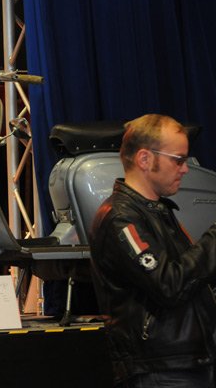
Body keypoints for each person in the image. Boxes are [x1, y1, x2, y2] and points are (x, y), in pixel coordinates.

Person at [90, 114, 216, 387]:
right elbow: (169, 284)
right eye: (178, 160)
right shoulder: (120, 218)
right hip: (161, 371)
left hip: (184, 363)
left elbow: (191, 279)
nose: (185, 169)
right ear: (145, 159)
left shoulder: (156, 211)